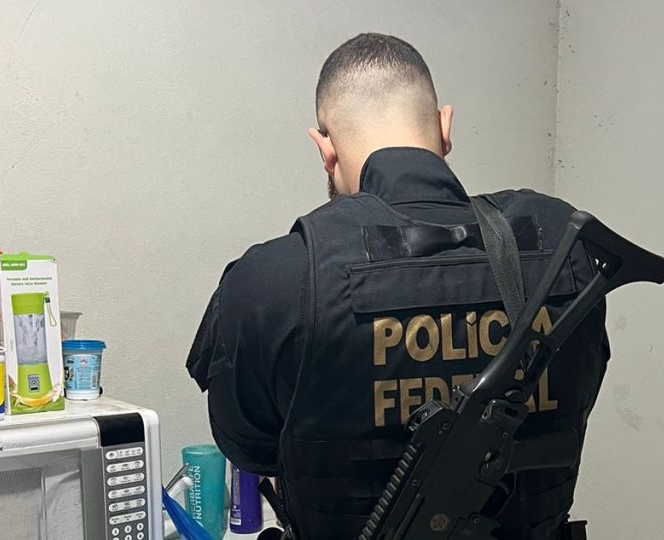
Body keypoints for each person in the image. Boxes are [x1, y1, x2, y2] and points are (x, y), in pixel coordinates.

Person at [187, 33, 610, 540]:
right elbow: (580, 393)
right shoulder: (564, 243)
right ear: (445, 128)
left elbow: (250, 448)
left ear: (325, 148)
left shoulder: (271, 279)